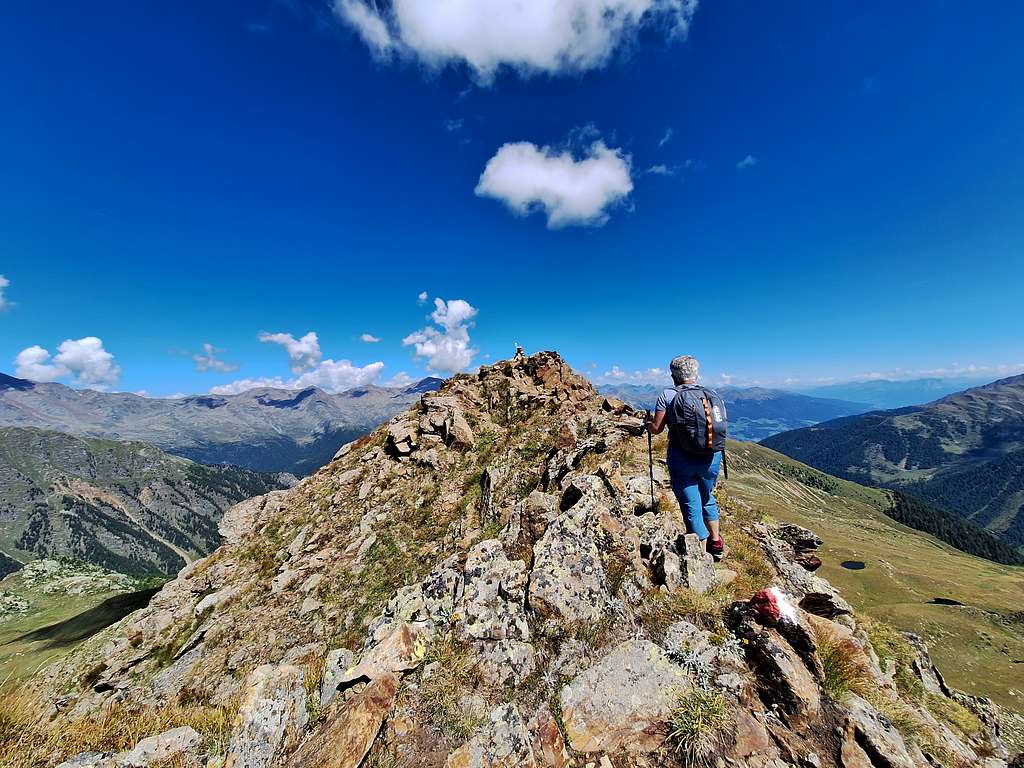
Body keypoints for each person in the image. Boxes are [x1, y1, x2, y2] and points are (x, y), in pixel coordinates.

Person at [644, 355, 726, 560]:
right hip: (712, 456)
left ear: (673, 375)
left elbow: (657, 429)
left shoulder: (668, 395)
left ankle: (700, 556)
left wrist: (647, 424)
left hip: (682, 457)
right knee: (707, 496)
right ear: (696, 374)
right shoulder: (711, 394)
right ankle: (716, 542)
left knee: (691, 505)